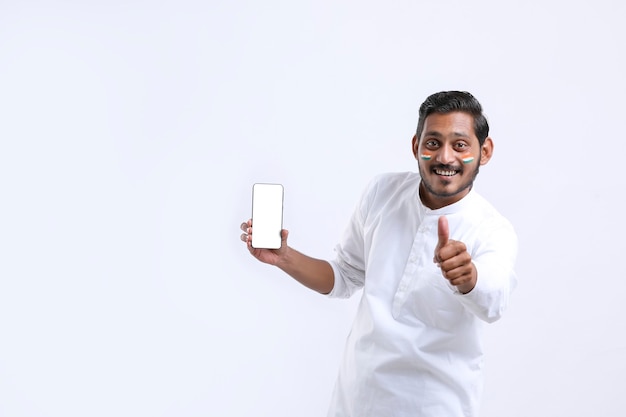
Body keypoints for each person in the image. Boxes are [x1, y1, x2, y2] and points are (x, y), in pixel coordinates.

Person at [239, 91, 518, 417]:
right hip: (356, 399)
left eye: (459, 145)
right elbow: (344, 275)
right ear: (416, 146)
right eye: (432, 143)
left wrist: (469, 278)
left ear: (484, 152)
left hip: (434, 406)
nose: (444, 157)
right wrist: (285, 258)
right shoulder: (382, 193)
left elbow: (494, 300)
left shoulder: (493, 229)